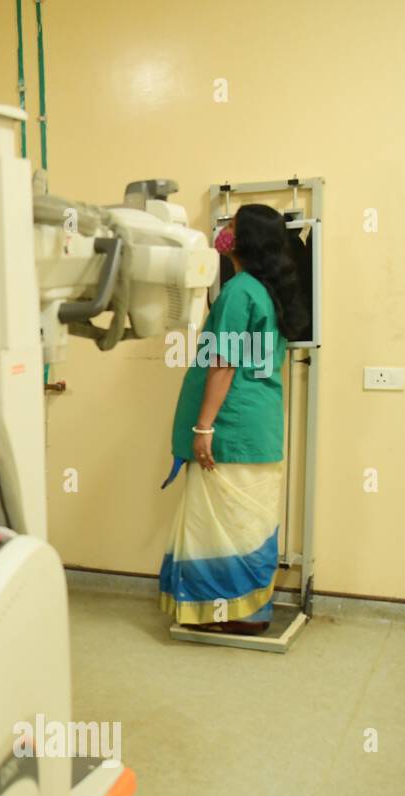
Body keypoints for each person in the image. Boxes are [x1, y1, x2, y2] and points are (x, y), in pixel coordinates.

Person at [159, 204, 308, 634]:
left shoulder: (240, 292)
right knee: (249, 524)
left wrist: (203, 427)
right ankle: (251, 611)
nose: (223, 232)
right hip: (259, 427)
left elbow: (222, 363)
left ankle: (223, 614)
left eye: (232, 227)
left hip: (231, 427)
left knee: (218, 526)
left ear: (244, 242)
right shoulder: (267, 290)